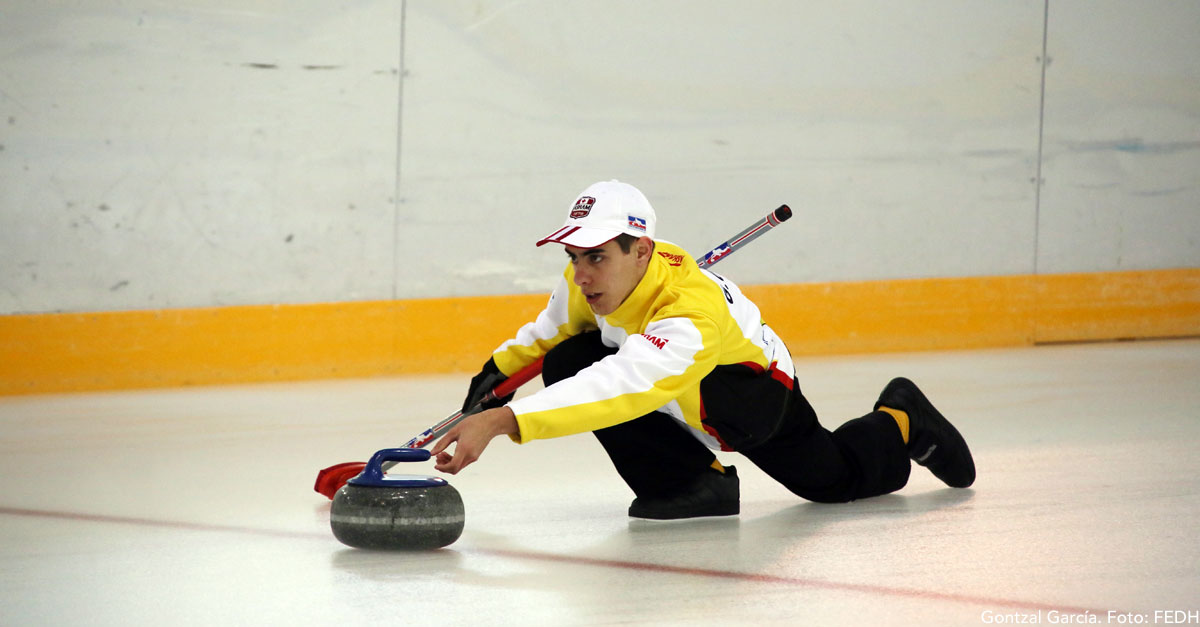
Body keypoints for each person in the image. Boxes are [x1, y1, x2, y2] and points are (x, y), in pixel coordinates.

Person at [431, 180, 975, 519]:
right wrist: (493, 378)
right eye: (574, 255)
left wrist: (505, 420)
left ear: (640, 249)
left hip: (753, 395)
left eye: (595, 256)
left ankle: (900, 418)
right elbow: (549, 332)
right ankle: (694, 486)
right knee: (566, 358)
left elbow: (627, 383)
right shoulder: (586, 279)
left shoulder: (691, 313)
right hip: (679, 391)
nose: (580, 271)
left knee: (833, 482)